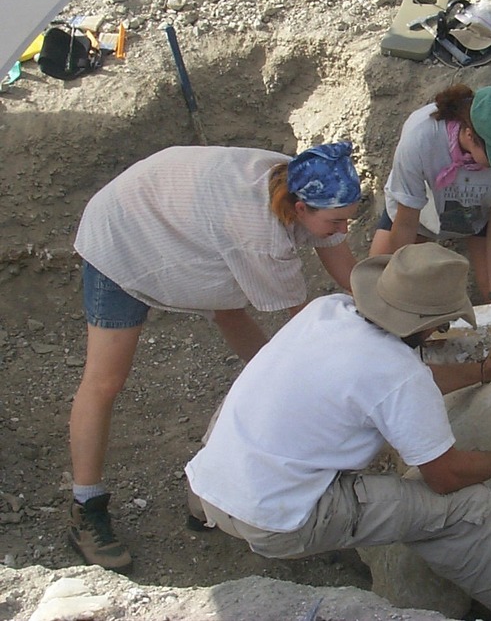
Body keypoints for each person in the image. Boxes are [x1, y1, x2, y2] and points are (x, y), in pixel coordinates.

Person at [185, 243, 491, 621]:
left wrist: (479, 373)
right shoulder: (397, 374)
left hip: (213, 482)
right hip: (273, 520)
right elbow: (445, 478)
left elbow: (392, 384)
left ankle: (197, 512)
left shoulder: (327, 311)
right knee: (465, 510)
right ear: (432, 325)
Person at [68, 142, 363, 572]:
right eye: (336, 220)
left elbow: (347, 266)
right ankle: (85, 507)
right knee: (105, 380)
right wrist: (346, 368)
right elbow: (305, 327)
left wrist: (386, 304)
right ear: (300, 209)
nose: (344, 227)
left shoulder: (309, 180)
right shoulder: (258, 232)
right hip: (124, 233)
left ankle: (210, 487)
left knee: (239, 320)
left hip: (178, 215)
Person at [369, 83, 491, 304]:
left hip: (476, 213)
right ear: (470, 135)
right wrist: (399, 288)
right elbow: (406, 223)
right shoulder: (420, 139)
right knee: (377, 288)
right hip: (419, 211)